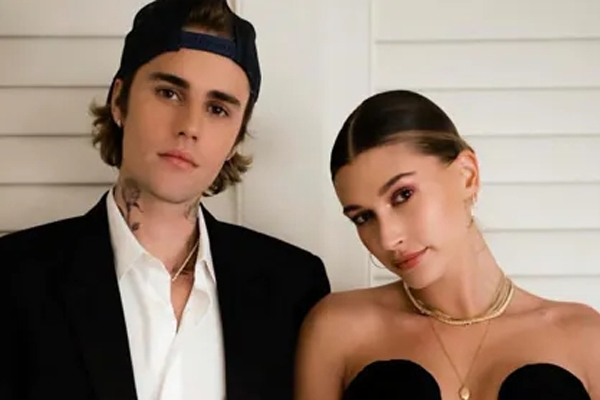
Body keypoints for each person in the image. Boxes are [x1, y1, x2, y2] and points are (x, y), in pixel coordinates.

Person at [0, 1, 330, 399]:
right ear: (119, 101)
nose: (189, 126)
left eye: (217, 108)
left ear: (236, 139)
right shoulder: (14, 279)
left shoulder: (293, 287)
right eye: (169, 93)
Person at [294, 90, 600, 399]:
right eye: (363, 218)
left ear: (467, 175)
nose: (387, 238)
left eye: (403, 195)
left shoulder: (585, 337)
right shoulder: (337, 330)